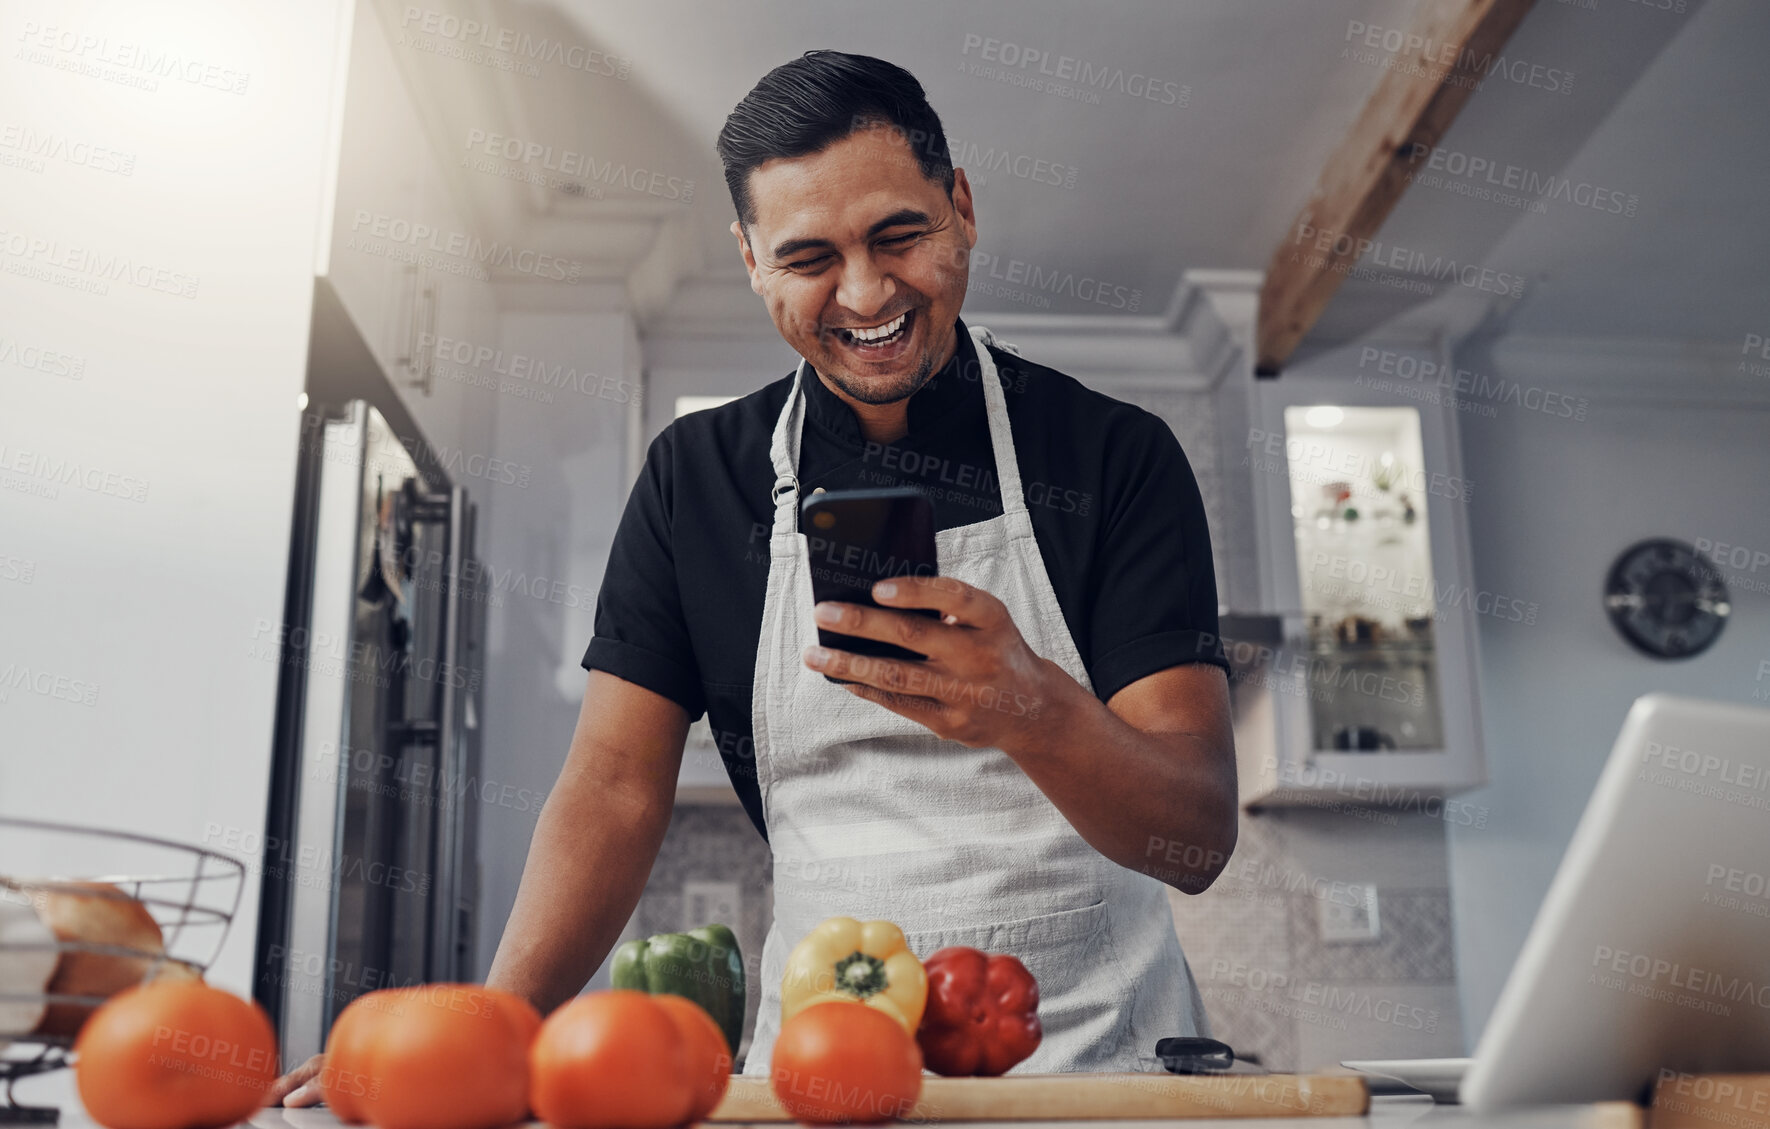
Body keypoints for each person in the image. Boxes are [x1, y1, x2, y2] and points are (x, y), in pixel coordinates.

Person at [274, 48, 1234, 1105]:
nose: (867, 292)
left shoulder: (1112, 457)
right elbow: (613, 782)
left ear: (960, 207)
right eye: (810, 255)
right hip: (821, 1076)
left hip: (1096, 1080)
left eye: (899, 234)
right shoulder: (698, 482)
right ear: (749, 259)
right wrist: (501, 1021)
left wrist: (1033, 711)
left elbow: (1193, 837)